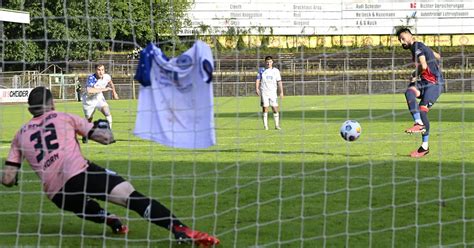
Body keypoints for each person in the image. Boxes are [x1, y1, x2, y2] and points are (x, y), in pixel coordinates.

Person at [1, 87, 220, 246]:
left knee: (81, 206)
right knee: (130, 196)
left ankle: (112, 220)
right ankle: (178, 228)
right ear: (52, 104)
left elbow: (8, 178)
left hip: (56, 193)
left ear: (30, 109)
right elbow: (105, 138)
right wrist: (102, 126)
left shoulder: (19, 134)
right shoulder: (63, 117)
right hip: (80, 172)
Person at [396, 27, 444, 158]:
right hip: (425, 81)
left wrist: (414, 74)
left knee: (422, 112)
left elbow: (423, 66)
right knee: (409, 92)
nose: (402, 42)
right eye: (399, 40)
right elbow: (438, 56)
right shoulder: (419, 46)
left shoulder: (416, 46)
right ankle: (419, 128)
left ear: (410, 36)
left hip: (434, 84)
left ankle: (423, 143)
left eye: (403, 38)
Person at [82, 64, 119, 143]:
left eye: (102, 70)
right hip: (89, 100)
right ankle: (85, 134)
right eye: (99, 70)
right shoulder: (91, 78)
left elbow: (111, 83)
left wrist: (114, 92)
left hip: (99, 98)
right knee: (89, 119)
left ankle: (109, 135)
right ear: (95, 70)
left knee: (107, 112)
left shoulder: (106, 77)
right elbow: (90, 91)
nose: (101, 72)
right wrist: (104, 89)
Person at [255, 56, 284, 130]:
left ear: (272, 62)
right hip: (264, 92)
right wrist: (257, 88)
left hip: (273, 92)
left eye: (270, 62)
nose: (268, 63)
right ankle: (265, 126)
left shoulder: (276, 71)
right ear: (265, 62)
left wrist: (281, 92)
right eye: (267, 62)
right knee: (265, 108)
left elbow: (279, 81)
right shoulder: (261, 70)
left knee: (275, 108)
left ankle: (277, 125)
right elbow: (258, 79)